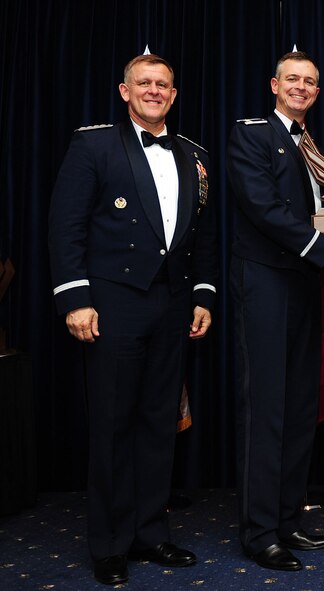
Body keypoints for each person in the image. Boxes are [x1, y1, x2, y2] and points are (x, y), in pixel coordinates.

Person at [48, 53, 218, 585]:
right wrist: (75, 299)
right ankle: (110, 543)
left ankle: (151, 532)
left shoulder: (194, 154)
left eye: (162, 84)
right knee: (114, 426)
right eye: (143, 83)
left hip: (172, 306)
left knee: (157, 427)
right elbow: (66, 225)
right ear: (125, 92)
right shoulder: (93, 144)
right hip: (113, 305)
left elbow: (202, 237)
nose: (153, 91)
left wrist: (203, 296)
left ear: (174, 93)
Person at [226, 51, 324, 572]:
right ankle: (259, 531)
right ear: (274, 84)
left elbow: (323, 213)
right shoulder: (252, 134)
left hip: (304, 287)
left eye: (311, 81)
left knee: (296, 408)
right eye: (293, 79)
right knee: (265, 409)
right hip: (265, 286)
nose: (302, 87)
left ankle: (287, 519)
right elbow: (264, 209)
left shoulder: (309, 146)